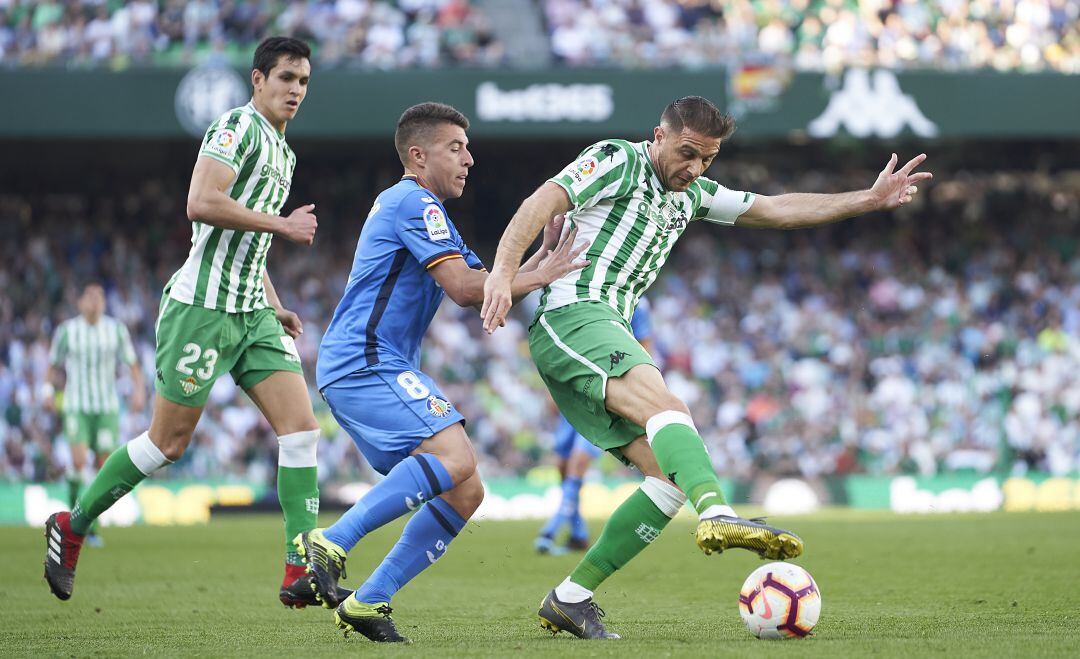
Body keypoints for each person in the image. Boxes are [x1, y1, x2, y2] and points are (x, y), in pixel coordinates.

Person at [480, 95, 932, 639]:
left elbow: (775, 208)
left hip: (606, 328)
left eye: (707, 160)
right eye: (688, 153)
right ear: (659, 136)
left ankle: (570, 598)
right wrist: (503, 273)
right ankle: (716, 509)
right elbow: (542, 200)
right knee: (671, 409)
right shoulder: (619, 159)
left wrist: (866, 199)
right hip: (575, 313)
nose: (694, 168)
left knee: (668, 477)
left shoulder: (691, 196)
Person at [43, 36, 341, 610]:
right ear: (258, 80)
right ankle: (72, 524)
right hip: (200, 308)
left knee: (302, 431)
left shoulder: (285, 152)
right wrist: (281, 224)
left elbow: (248, 241)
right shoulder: (235, 127)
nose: (296, 91)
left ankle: (299, 570)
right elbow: (201, 202)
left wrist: (274, 301)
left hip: (252, 309)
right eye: (286, 79)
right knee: (167, 444)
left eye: (304, 82)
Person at [294, 102, 587, 644]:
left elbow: (486, 280)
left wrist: (538, 262)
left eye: (467, 148)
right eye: (456, 148)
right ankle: (331, 541)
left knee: (466, 489)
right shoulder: (413, 201)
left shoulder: (430, 212)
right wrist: (536, 274)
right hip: (365, 358)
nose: (469, 159)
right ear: (417, 154)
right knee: (454, 456)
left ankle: (369, 601)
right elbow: (462, 289)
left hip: (373, 363)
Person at [535, 297, 653, 555]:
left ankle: (552, 529)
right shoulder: (581, 294)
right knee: (562, 466)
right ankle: (578, 534)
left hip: (603, 397)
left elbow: (644, 349)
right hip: (575, 391)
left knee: (579, 462)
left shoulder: (636, 304)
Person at [47, 283, 145, 547]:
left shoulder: (116, 330)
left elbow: (132, 363)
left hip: (107, 409)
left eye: (99, 298)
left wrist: (139, 390)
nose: (95, 302)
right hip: (77, 406)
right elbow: (53, 364)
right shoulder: (68, 331)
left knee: (102, 468)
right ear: (80, 303)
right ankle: (73, 519)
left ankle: (91, 527)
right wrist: (47, 390)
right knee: (79, 462)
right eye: (89, 297)